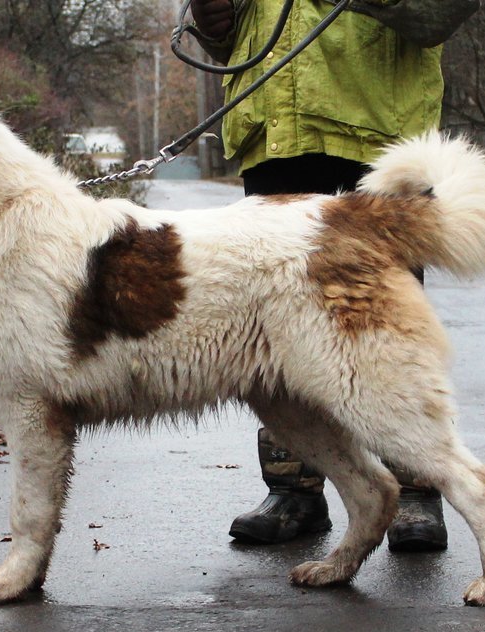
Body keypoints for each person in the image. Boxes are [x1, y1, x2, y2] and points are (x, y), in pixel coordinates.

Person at [190, 0, 452, 551]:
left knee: (381, 326)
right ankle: (295, 489)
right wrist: (214, 27)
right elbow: (238, 36)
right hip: (276, 132)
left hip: (381, 129)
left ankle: (416, 486)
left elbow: (441, 15)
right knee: (277, 328)